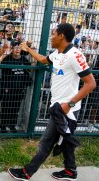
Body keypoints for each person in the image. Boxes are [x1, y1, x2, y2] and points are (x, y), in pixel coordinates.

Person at [8, 23, 96, 181]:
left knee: (46, 141)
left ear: (62, 36)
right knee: (66, 141)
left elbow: (91, 84)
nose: (51, 36)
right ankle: (70, 171)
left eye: (53, 33)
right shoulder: (56, 54)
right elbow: (42, 59)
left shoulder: (75, 55)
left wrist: (68, 105)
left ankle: (27, 172)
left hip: (66, 110)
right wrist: (28, 50)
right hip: (57, 107)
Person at [0, 40, 32, 133]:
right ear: (11, 49)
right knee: (6, 107)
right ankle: (3, 126)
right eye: (16, 47)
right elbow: (1, 69)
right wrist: (5, 87)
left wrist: (32, 53)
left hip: (20, 88)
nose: (18, 50)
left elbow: (31, 69)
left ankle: (12, 125)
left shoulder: (23, 59)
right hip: (8, 89)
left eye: (19, 48)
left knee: (15, 108)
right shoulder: (7, 58)